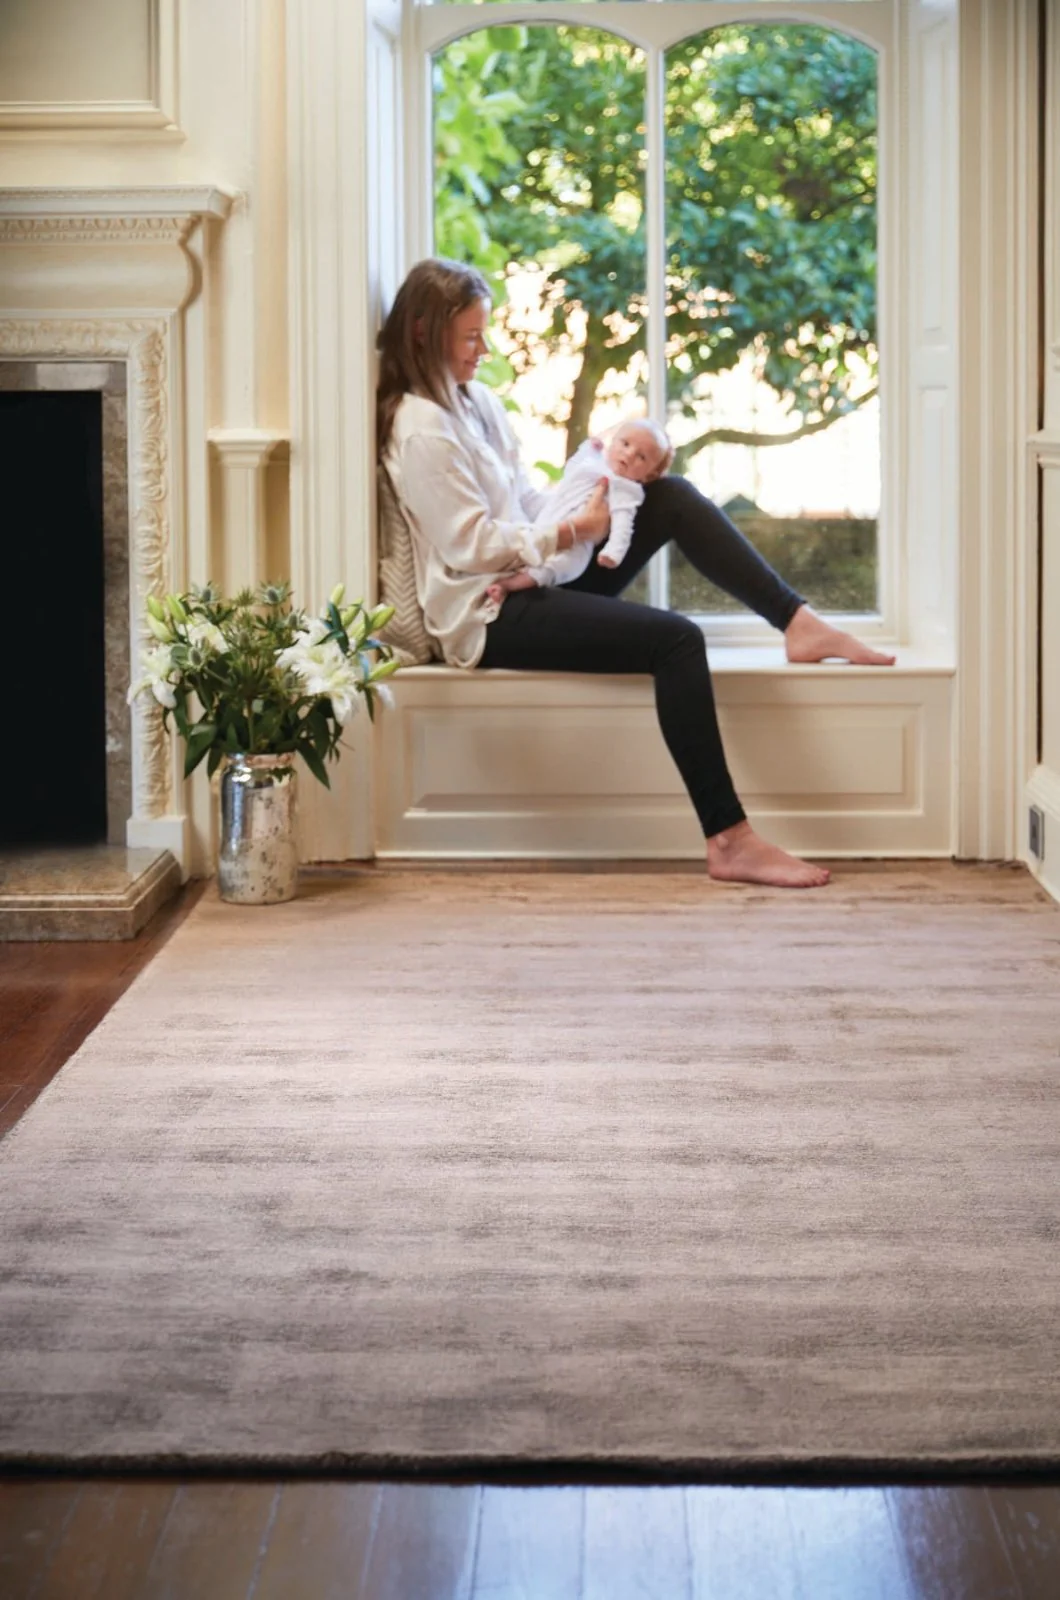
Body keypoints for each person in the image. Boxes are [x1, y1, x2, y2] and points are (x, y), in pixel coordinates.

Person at [377, 257, 895, 890]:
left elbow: (523, 505)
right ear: (426, 332)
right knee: (677, 639)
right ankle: (729, 840)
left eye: (485, 333)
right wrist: (576, 532)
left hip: (542, 569)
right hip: (489, 610)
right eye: (471, 337)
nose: (484, 348)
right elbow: (471, 545)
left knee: (666, 494)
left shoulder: (475, 402)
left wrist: (594, 487)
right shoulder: (420, 428)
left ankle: (798, 621)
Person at [484, 417, 674, 607]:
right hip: (548, 521)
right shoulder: (592, 465)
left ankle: (508, 586)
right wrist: (588, 448)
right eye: (625, 444)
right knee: (528, 550)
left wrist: (614, 552)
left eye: (642, 457)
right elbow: (572, 469)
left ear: (648, 475)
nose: (630, 454)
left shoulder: (626, 490)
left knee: (555, 567)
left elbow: (624, 525)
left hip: (575, 548)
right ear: (613, 442)